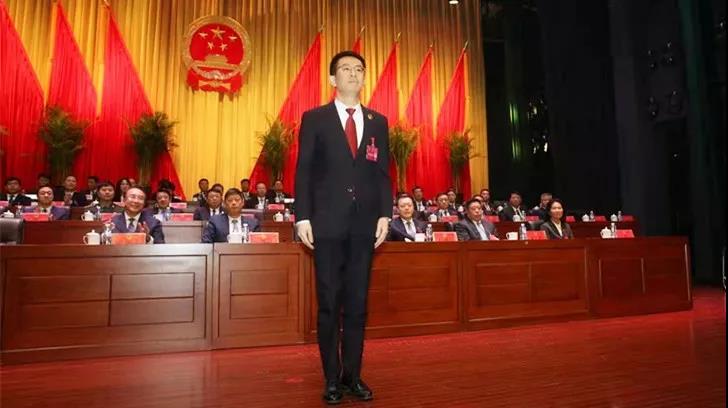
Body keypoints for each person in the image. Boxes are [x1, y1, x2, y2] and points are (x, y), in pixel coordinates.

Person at [295, 50, 391, 404]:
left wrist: (385, 214)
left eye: (359, 69)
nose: (353, 73)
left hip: (365, 226)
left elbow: (382, 173)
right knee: (329, 303)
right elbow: (304, 170)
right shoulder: (315, 119)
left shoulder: (378, 121)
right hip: (326, 224)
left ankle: (353, 375)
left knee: (357, 303)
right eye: (346, 69)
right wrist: (302, 217)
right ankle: (331, 378)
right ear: (333, 79)